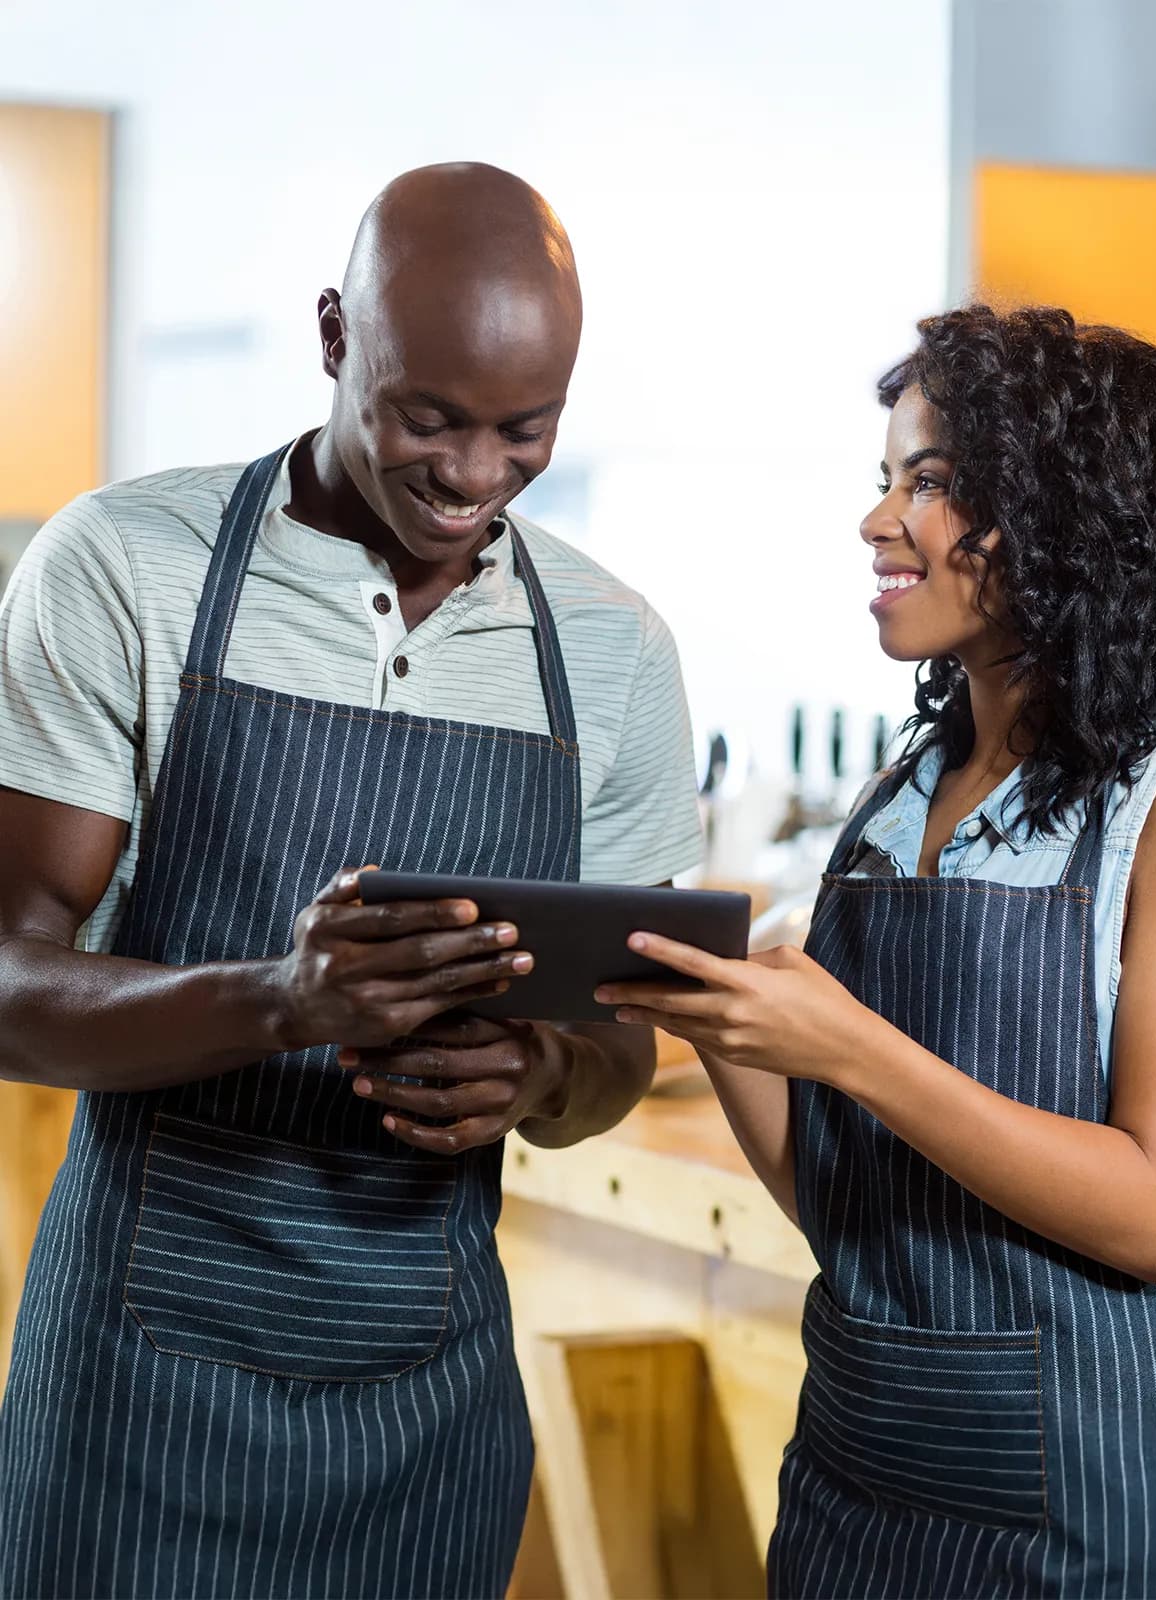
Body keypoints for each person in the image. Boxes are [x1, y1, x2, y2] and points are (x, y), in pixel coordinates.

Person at [0, 162, 700, 1600]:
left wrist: (541, 1076)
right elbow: (9, 983)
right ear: (333, 337)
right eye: (428, 418)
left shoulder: (613, 651)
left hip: (428, 1409)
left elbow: (621, 1049)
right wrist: (282, 1000)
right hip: (134, 1398)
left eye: (527, 431)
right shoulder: (125, 569)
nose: (474, 476)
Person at [598, 305, 1156, 1598]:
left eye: (929, 482)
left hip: (1092, 1515)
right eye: (888, 479)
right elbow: (849, 1206)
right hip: (861, 1482)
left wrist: (849, 1050)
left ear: (1066, 516)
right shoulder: (900, 795)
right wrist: (718, 1010)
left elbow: (1155, 1214)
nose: (879, 521)